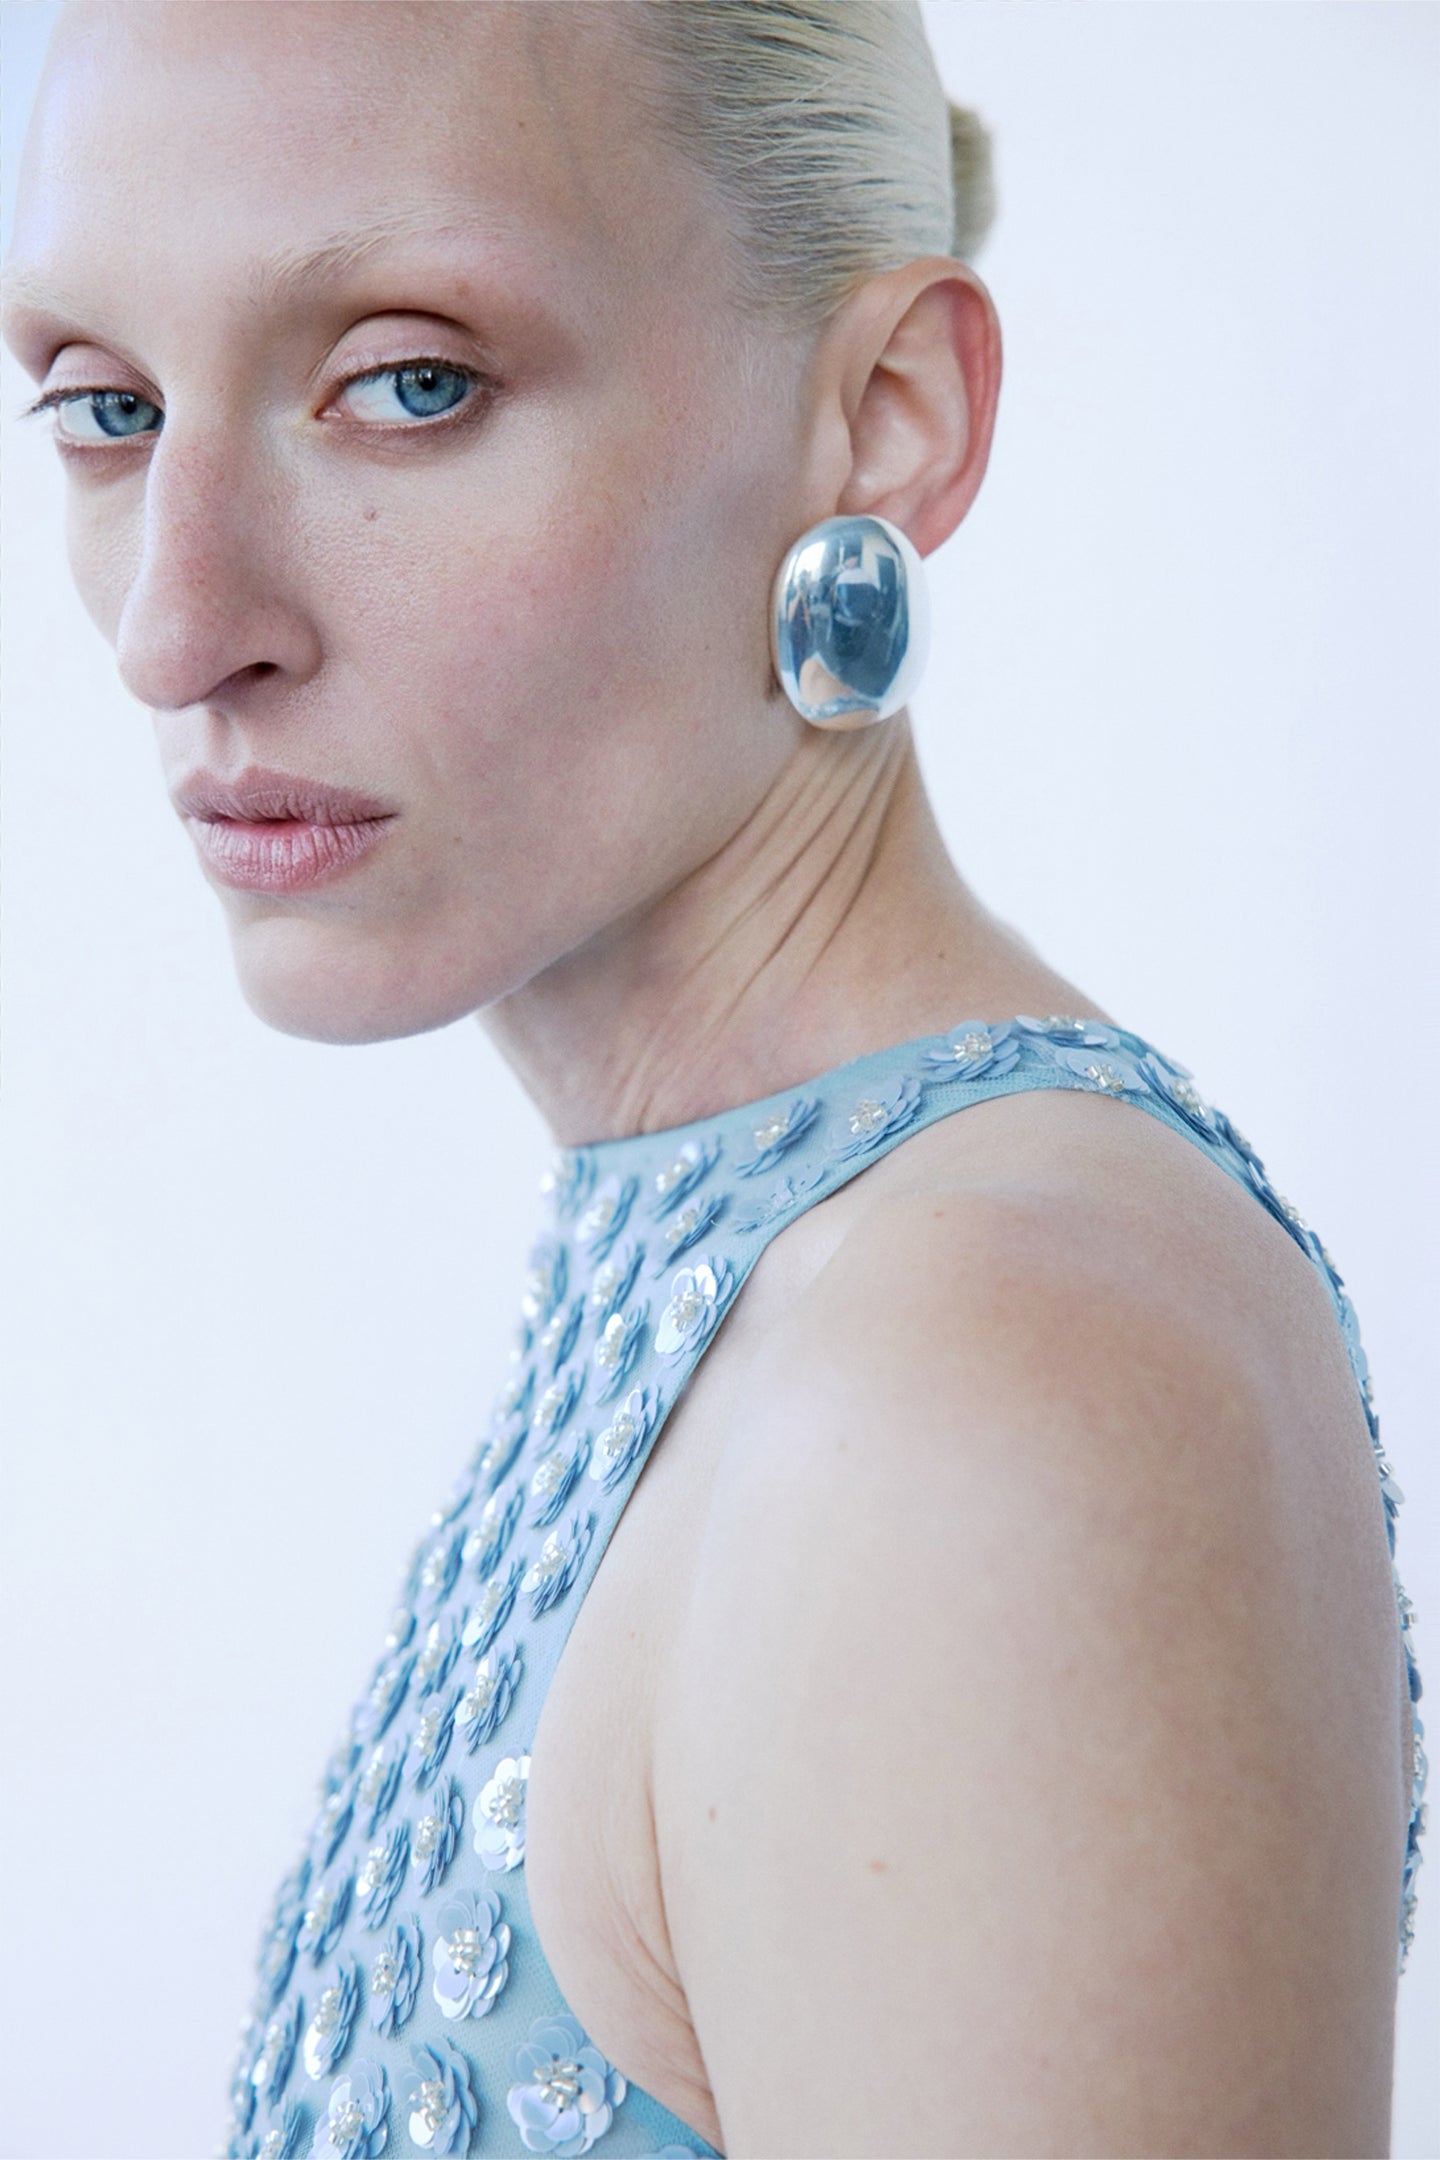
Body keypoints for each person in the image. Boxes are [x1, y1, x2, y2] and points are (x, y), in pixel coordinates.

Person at [1, 3, 1425, 2155]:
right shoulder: (787, 1277)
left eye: (408, 382)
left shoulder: (987, 1390)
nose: (175, 630)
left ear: (885, 417)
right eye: (106, 409)